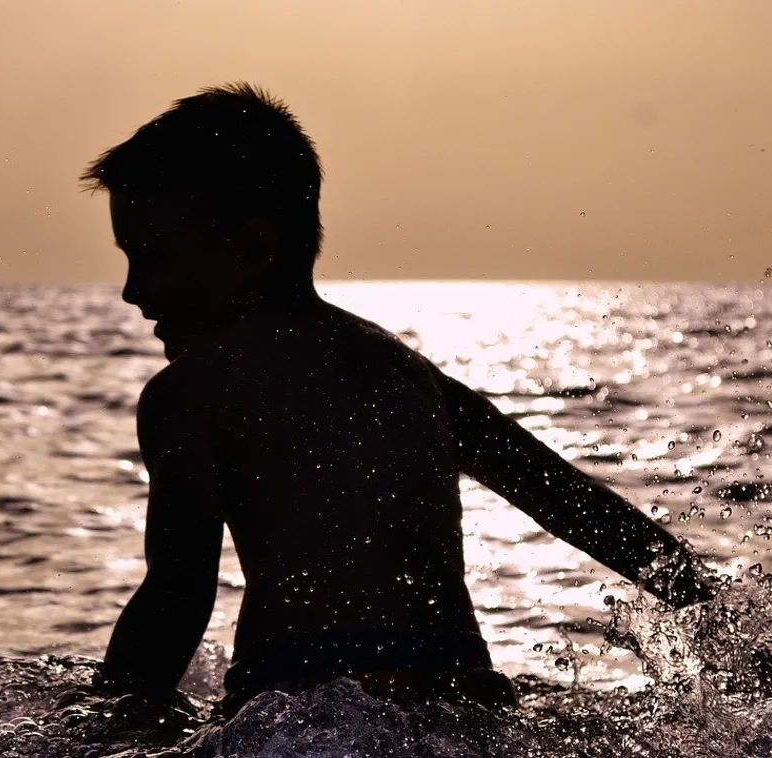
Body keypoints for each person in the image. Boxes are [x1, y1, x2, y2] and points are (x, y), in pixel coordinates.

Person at [77, 82, 716, 718]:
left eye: (152, 258)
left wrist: (102, 725)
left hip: (304, 707)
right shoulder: (406, 371)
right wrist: (706, 605)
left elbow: (177, 594)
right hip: (467, 706)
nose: (133, 291)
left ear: (252, 249)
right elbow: (561, 496)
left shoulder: (190, 393)